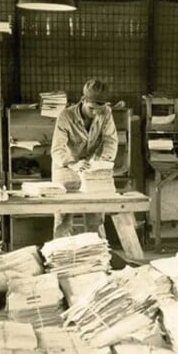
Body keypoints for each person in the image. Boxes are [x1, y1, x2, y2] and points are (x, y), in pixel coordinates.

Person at [50, 78, 118, 238]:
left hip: (91, 165)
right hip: (66, 166)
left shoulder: (106, 112)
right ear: (83, 100)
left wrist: (102, 162)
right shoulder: (65, 116)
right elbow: (57, 148)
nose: (96, 113)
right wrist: (73, 164)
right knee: (64, 217)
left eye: (100, 109)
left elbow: (110, 140)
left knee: (95, 215)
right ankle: (61, 256)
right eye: (92, 108)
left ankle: (97, 256)